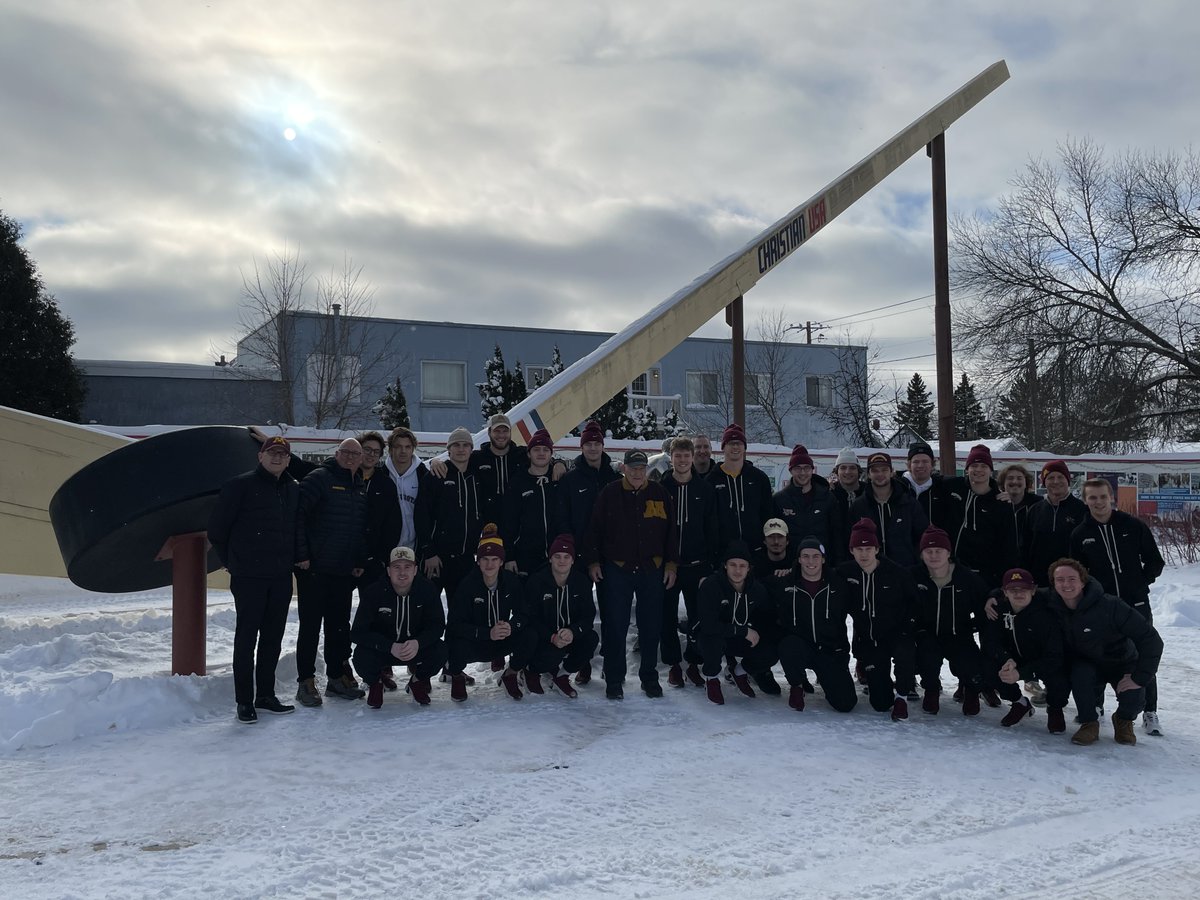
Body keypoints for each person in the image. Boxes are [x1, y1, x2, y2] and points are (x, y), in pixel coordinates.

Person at [208, 435, 300, 724]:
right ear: (260, 456)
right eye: (271, 452)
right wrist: (233, 563)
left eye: (283, 454)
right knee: (246, 639)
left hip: (281, 576)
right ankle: (244, 701)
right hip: (249, 577)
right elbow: (218, 532)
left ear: (288, 460)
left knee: (273, 639)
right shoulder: (240, 486)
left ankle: (266, 695)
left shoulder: (292, 488)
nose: (277, 457)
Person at [1070, 478, 1166, 735]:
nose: (1098, 502)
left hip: (1135, 603)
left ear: (1111, 497)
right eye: (1092, 498)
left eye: (1102, 497)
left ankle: (1149, 711)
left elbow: (1154, 562)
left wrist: (1138, 584)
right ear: (1085, 500)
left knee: (1142, 653)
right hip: (1101, 608)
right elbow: (1078, 573)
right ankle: (1097, 707)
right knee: (1097, 653)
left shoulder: (1132, 526)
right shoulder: (1080, 534)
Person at [584, 448, 678, 699]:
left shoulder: (659, 493)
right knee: (615, 625)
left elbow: (671, 533)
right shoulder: (610, 494)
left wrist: (670, 564)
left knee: (650, 625)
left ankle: (649, 677)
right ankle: (614, 679)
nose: (637, 472)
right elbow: (594, 530)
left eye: (641, 468)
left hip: (652, 569)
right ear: (624, 468)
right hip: (618, 569)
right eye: (633, 468)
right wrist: (593, 562)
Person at [1046, 558, 1163, 746]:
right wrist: (994, 597)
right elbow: (1019, 592)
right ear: (1053, 583)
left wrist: (1139, 677)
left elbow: (1151, 639)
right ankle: (1089, 723)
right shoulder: (1051, 602)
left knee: (1134, 695)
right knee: (1080, 675)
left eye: (1072, 579)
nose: (1066, 584)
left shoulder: (1111, 606)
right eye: (1059, 579)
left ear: (1083, 580)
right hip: (1087, 663)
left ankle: (1124, 720)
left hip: (1121, 661)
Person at [294, 438, 368, 706]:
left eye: (355, 454)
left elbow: (358, 527)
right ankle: (305, 681)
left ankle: (336, 678)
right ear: (336, 454)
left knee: (338, 627)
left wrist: (359, 559)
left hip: (343, 570)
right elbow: (298, 516)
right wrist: (301, 555)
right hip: (314, 569)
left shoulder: (358, 485)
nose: (350, 457)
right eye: (345, 452)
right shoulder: (319, 478)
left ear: (361, 459)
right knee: (310, 627)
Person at [835, 518, 918, 721]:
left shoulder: (896, 573)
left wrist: (908, 628)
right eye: (858, 549)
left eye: (868, 548)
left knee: (904, 655)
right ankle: (881, 684)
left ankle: (902, 696)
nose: (864, 554)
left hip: (897, 634)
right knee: (880, 704)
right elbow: (816, 575)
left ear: (876, 549)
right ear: (851, 550)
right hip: (870, 640)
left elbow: (914, 602)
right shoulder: (845, 573)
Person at [350, 547, 448, 708]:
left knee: (441, 649)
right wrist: (389, 646)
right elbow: (357, 633)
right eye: (397, 567)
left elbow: (437, 626)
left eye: (407, 567)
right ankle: (376, 683)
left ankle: (418, 681)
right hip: (385, 650)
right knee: (361, 656)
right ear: (388, 570)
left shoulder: (427, 590)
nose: (402, 572)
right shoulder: (373, 592)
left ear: (415, 570)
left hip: (415, 649)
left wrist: (418, 642)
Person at [445, 526, 534, 701]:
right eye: (484, 559)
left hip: (501, 640)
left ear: (501, 562)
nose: (489, 564)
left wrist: (511, 626)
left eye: (495, 559)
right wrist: (486, 633)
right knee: (452, 642)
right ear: (478, 561)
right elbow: (455, 624)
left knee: (530, 635)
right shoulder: (467, 585)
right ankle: (456, 676)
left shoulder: (511, 582)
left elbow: (523, 614)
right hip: (474, 642)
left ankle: (510, 674)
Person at [659, 436, 719, 688]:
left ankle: (693, 662)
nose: (682, 460)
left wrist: (712, 566)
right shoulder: (661, 489)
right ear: (671, 458)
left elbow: (713, 528)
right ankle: (673, 665)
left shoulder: (704, 489)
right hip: (668, 566)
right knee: (666, 617)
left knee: (698, 617)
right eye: (678, 456)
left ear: (692, 457)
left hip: (698, 565)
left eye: (687, 455)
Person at [910, 525, 990, 716]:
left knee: (970, 667)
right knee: (926, 660)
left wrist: (992, 599)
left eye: (939, 551)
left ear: (948, 553)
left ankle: (970, 690)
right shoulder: (913, 576)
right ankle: (931, 689)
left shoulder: (966, 577)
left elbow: (985, 601)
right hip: (926, 634)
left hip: (958, 634)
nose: (934, 555)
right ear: (922, 554)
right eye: (928, 551)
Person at [981, 568, 1069, 733]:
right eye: (1013, 590)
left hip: (1043, 661)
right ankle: (1019, 703)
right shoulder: (999, 610)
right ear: (1005, 592)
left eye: (1023, 589)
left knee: (1059, 676)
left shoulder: (1046, 615)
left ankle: (1055, 708)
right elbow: (991, 642)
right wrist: (1006, 659)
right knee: (988, 665)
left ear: (1033, 590)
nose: (1018, 594)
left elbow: (1054, 656)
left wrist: (1021, 674)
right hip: (1014, 660)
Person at [774, 537, 856, 713]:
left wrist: (842, 654)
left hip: (829, 650)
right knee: (788, 646)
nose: (810, 561)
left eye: (815, 556)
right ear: (799, 559)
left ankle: (827, 679)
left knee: (846, 704)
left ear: (823, 559)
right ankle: (797, 684)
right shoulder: (786, 583)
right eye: (805, 556)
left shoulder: (838, 584)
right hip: (801, 647)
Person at [696, 541, 778, 705]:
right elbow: (708, 625)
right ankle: (712, 679)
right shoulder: (712, 586)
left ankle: (740, 672)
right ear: (725, 566)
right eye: (733, 565)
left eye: (742, 565)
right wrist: (743, 631)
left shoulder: (757, 590)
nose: (738, 570)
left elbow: (767, 617)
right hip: (712, 636)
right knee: (712, 640)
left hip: (738, 637)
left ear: (749, 568)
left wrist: (760, 633)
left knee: (772, 647)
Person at [521, 534, 600, 697]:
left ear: (572, 560)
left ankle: (562, 675)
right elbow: (530, 617)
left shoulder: (581, 582)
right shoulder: (537, 581)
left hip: (568, 635)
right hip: (545, 637)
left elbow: (588, 616)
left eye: (566, 557)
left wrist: (573, 631)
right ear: (550, 559)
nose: (562, 561)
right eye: (557, 556)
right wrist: (551, 637)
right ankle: (530, 671)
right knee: (551, 653)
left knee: (591, 639)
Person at [415, 426, 483, 603]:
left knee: (461, 613)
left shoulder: (477, 477)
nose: (461, 449)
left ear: (471, 449)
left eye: (465, 445)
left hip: (466, 559)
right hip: (437, 558)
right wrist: (428, 553)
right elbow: (422, 516)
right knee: (428, 610)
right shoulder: (436, 476)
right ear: (449, 449)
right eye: (456, 445)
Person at [941, 444, 1017, 586]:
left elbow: (1009, 547)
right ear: (967, 469)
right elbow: (923, 481)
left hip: (986, 576)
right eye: (974, 466)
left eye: (984, 466)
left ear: (990, 470)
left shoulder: (1001, 503)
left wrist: (1002, 581)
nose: (979, 470)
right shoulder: (951, 487)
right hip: (952, 570)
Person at [849, 452, 927, 567]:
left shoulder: (909, 503)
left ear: (891, 472)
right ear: (869, 474)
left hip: (905, 571)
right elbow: (850, 541)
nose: (880, 474)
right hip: (871, 571)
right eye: (875, 470)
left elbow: (923, 537)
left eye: (884, 470)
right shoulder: (859, 506)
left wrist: (915, 562)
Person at [501, 428, 561, 577]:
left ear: (551, 454)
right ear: (528, 453)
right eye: (536, 449)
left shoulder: (560, 480)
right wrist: (509, 556)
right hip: (525, 558)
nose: (541, 453)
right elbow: (508, 523)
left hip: (556, 558)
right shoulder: (517, 483)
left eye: (545, 449)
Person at [708, 423, 774, 551]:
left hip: (755, 550)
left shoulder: (759, 478)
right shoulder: (711, 481)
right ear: (723, 447)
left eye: (739, 443)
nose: (735, 447)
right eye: (731, 443)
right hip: (723, 552)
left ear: (744, 448)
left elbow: (767, 513)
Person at [1024, 461, 1087, 588]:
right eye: (1051, 478)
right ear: (1044, 482)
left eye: (1060, 477)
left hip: (1071, 581)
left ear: (1068, 480)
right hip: (1039, 580)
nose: (1056, 481)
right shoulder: (1035, 510)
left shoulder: (1082, 510)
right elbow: (1026, 546)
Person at [356, 430, 404, 589]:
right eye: (367, 449)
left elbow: (393, 524)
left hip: (373, 561)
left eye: (376, 452)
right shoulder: (344, 478)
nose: (371, 455)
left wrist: (382, 558)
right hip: (343, 558)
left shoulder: (386, 484)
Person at [773, 444, 836, 563]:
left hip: (821, 562)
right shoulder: (779, 499)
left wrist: (835, 564)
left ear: (812, 470)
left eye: (806, 468)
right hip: (791, 564)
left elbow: (836, 534)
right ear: (791, 470)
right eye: (798, 468)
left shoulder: (827, 498)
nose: (802, 472)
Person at [383, 426, 428, 554]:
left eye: (407, 447)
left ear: (413, 449)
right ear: (391, 449)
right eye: (398, 446)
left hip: (417, 547)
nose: (403, 451)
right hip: (387, 548)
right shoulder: (381, 476)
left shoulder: (424, 475)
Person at [996, 463, 1043, 566]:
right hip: (1002, 564)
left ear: (1026, 482)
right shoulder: (996, 505)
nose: (1015, 481)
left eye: (1019, 478)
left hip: (1031, 564)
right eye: (1010, 478)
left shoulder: (1038, 505)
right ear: (1003, 483)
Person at [902, 441, 953, 532]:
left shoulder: (942, 489)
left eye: (925, 461)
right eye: (916, 462)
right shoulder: (899, 488)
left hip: (933, 544)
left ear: (932, 464)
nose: (920, 465)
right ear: (909, 465)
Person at [828, 447, 866, 560]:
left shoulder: (869, 494)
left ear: (858, 471)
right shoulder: (830, 495)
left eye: (852, 468)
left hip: (865, 555)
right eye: (843, 468)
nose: (847, 472)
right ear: (836, 471)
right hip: (836, 557)